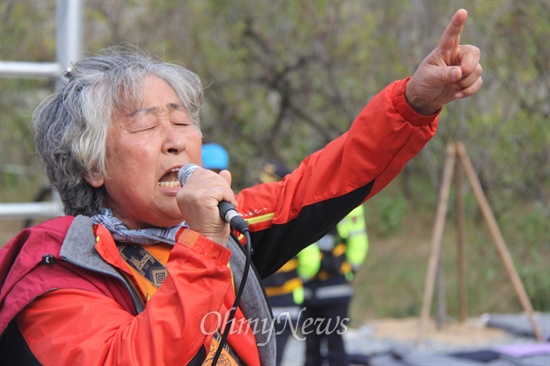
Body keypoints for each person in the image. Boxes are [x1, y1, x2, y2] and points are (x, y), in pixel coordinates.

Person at [0, 9, 482, 366]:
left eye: (183, 121)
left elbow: (320, 184)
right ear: (92, 166)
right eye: (146, 127)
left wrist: (413, 104)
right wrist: (205, 244)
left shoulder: (222, 226)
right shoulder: (54, 269)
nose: (176, 142)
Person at [257, 160, 313, 365]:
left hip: (266, 303)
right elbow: (310, 261)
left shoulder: (257, 217)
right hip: (285, 301)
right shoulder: (295, 220)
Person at [300, 204, 368, 366]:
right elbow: (359, 243)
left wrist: (346, 270)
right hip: (320, 288)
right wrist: (349, 271)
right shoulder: (351, 202)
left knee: (319, 343)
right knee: (327, 342)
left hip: (327, 286)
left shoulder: (349, 206)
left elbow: (358, 242)